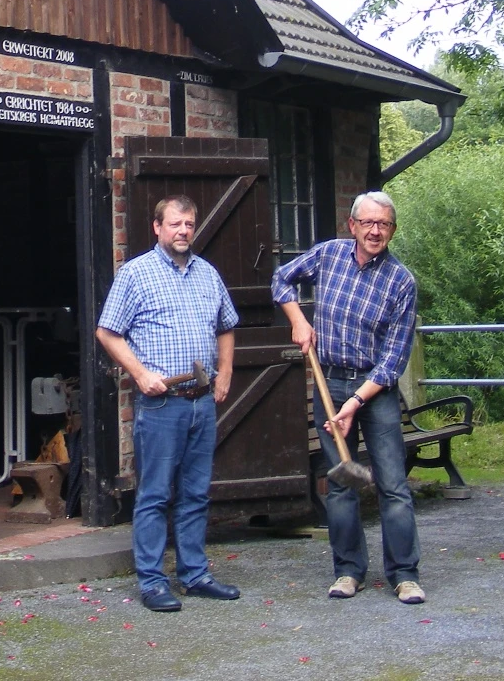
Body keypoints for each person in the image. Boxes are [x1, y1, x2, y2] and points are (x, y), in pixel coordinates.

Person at [272, 190, 424, 605]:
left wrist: (353, 404)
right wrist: (299, 321)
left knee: (392, 485)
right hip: (329, 379)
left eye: (385, 224)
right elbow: (280, 279)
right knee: (340, 483)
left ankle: (404, 574)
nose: (376, 231)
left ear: (393, 230)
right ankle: (348, 571)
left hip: (375, 392)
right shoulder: (328, 255)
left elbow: (393, 361)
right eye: (368, 223)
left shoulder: (401, 282)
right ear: (352, 225)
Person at [96, 195, 240, 612]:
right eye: (175, 224)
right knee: (156, 495)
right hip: (162, 405)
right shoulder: (136, 274)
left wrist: (225, 373)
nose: (183, 231)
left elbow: (226, 325)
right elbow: (107, 332)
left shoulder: (207, 274)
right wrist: (140, 374)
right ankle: (153, 582)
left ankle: (195, 575)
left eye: (189, 225)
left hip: (201, 402)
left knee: (196, 493)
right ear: (157, 228)